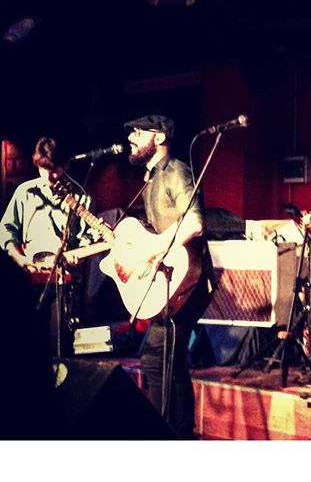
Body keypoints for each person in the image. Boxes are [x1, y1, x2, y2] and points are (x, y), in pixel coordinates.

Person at [124, 114, 214, 439]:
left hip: (189, 279)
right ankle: (179, 435)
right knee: (168, 362)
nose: (131, 137)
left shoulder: (176, 171)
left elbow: (195, 223)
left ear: (160, 137)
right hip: (173, 279)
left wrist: (156, 248)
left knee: (156, 358)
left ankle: (168, 435)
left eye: (139, 132)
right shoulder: (152, 178)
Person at [0, 136, 95, 354]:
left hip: (63, 282)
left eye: (54, 169)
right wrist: (19, 258)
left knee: (58, 345)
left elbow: (88, 237)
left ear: (65, 165)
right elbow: (5, 229)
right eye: (43, 169)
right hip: (29, 279)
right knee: (25, 345)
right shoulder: (25, 192)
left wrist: (79, 255)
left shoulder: (81, 197)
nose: (49, 176)